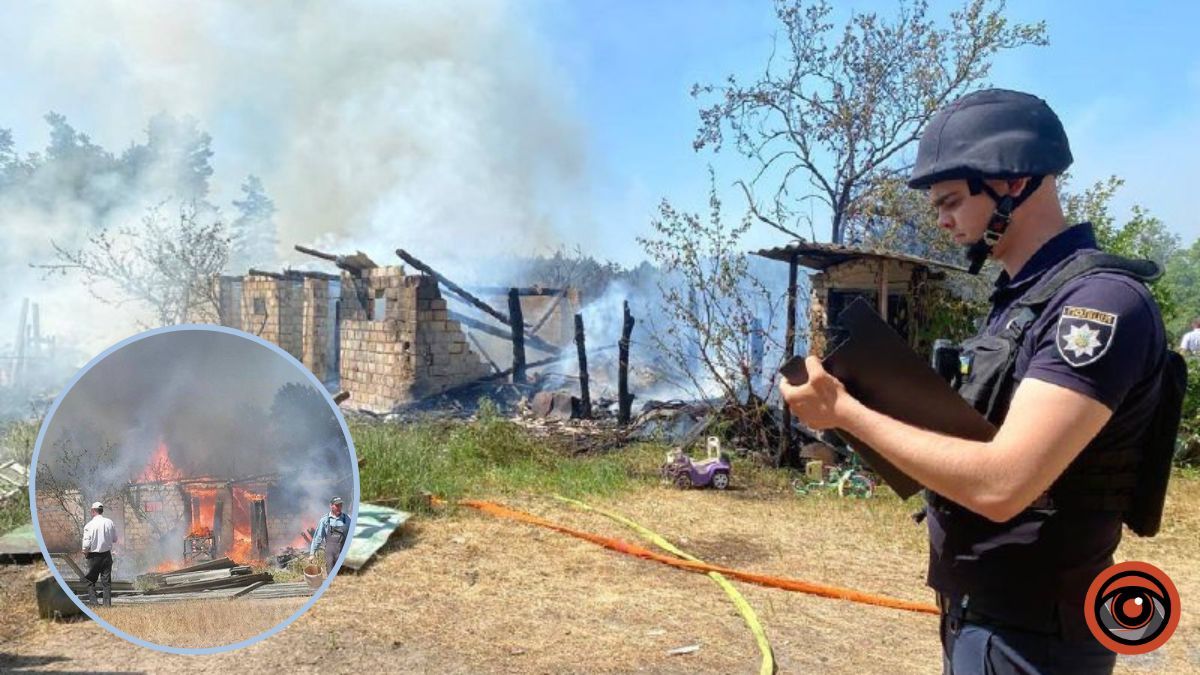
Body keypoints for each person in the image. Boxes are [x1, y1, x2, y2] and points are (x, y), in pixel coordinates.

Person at [780, 89, 1175, 674]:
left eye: (952, 200)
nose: (940, 219)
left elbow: (1003, 484)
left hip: (1035, 635)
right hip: (984, 617)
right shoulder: (1022, 303)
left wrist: (844, 412)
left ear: (1014, 183)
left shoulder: (1097, 307)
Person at [81, 501, 117, 607]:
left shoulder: (89, 525)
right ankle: (107, 605)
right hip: (107, 555)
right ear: (102, 511)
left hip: (94, 556)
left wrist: (85, 551)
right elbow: (115, 539)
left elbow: (87, 541)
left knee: (90, 580)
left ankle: (94, 603)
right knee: (106, 582)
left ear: (93, 511)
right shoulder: (109, 522)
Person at [309, 496, 350, 575]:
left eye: (340, 505)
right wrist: (312, 554)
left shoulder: (347, 519)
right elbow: (318, 537)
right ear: (331, 506)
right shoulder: (325, 520)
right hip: (330, 554)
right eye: (337, 505)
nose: (339, 507)